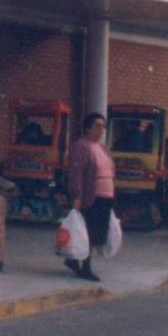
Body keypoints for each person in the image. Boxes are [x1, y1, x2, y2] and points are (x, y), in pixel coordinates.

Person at [63, 112, 115, 283]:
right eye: (97, 126)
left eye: (103, 126)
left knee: (97, 232)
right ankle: (85, 266)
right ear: (87, 128)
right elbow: (76, 173)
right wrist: (76, 197)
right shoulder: (81, 146)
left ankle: (73, 259)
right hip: (91, 196)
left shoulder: (104, 148)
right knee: (89, 233)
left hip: (106, 195)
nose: (101, 130)